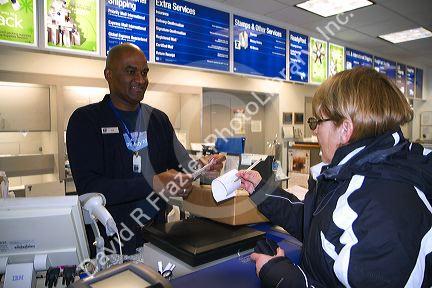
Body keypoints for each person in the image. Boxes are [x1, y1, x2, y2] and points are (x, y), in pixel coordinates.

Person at [237, 67, 432, 287]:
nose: (314, 132)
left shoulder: (387, 204)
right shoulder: (354, 174)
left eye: (317, 122)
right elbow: (317, 225)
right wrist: (261, 191)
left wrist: (284, 277)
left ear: (345, 129)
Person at [67, 43, 225, 255]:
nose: (140, 80)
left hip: (157, 239)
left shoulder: (158, 120)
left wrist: (202, 167)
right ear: (109, 75)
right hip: (110, 243)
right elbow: (89, 188)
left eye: (144, 72)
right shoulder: (86, 121)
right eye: (130, 72)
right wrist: (153, 182)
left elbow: (181, 164)